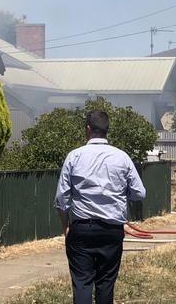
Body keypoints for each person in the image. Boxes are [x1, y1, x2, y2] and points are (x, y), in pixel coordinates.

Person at [54, 110, 146, 304]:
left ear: (88, 129)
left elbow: (62, 199)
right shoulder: (122, 157)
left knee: (82, 282)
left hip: (82, 229)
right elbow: (139, 193)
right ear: (107, 130)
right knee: (105, 283)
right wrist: (120, 194)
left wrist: (66, 226)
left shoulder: (74, 156)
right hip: (111, 230)